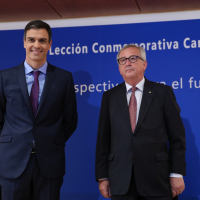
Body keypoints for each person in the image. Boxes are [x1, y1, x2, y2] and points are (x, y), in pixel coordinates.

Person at [95, 44, 186, 200]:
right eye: (122, 60)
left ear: (144, 64)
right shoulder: (109, 97)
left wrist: (176, 173)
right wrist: (103, 177)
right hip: (121, 181)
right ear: (119, 68)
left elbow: (177, 137)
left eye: (133, 58)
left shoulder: (163, 93)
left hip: (157, 180)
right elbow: (103, 139)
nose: (127, 63)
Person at [0, 20, 78, 200]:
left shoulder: (63, 78)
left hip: (49, 163)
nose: (36, 45)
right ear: (24, 42)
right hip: (12, 162)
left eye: (42, 40)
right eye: (32, 40)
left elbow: (70, 119)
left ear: (50, 44)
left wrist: (49, 140)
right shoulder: (4, 77)